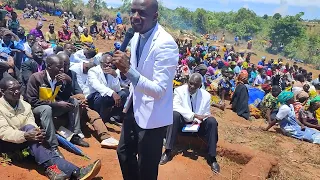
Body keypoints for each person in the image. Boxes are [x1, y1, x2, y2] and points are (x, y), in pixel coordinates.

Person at [113, 0, 179, 179]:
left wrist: (128, 69)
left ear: (155, 16)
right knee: (124, 153)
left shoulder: (166, 44)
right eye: (133, 11)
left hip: (153, 114)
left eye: (141, 13)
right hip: (134, 105)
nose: (135, 17)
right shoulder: (135, 36)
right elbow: (134, 74)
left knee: (147, 166)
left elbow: (159, 90)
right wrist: (121, 71)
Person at [0, 77, 102, 180]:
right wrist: (25, 135)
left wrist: (36, 132)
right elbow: (4, 132)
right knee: (30, 132)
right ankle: (76, 172)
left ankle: (62, 170)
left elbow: (30, 122)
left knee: (35, 135)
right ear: (2, 91)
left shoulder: (25, 105)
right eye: (12, 89)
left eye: (18, 88)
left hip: (24, 140)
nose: (17, 91)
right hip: (6, 144)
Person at [26, 55, 89, 158]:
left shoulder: (59, 78)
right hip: (37, 109)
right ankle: (53, 146)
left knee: (74, 101)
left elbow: (65, 96)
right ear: (49, 66)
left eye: (63, 66)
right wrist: (56, 104)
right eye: (59, 67)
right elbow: (32, 101)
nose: (62, 69)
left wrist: (68, 82)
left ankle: (74, 134)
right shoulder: (36, 78)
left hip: (52, 107)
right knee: (46, 109)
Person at [160, 73, 220, 173]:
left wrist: (199, 120)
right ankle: (168, 151)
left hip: (197, 126)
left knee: (212, 121)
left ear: (200, 86)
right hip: (182, 124)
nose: (192, 87)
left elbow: (205, 113)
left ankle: (212, 157)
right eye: (190, 83)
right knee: (174, 115)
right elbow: (175, 106)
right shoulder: (179, 90)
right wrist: (194, 115)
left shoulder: (206, 96)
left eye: (195, 85)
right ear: (188, 81)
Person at [86, 54, 128, 123]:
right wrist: (112, 93)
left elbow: (117, 89)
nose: (110, 65)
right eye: (108, 63)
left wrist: (115, 76)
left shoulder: (111, 72)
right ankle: (99, 118)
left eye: (111, 63)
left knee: (123, 94)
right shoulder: (93, 71)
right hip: (93, 97)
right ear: (101, 63)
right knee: (101, 96)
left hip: (106, 96)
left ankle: (114, 117)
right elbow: (97, 86)